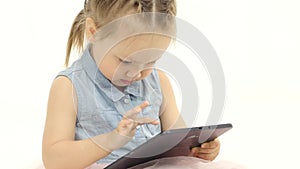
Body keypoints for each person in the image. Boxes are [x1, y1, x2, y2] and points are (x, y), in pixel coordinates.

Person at [42, 0, 222, 168]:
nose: (136, 73)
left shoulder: (159, 82)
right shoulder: (69, 87)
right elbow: (53, 159)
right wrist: (111, 140)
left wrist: (198, 148)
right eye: (126, 61)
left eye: (150, 61)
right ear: (93, 32)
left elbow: (178, 142)